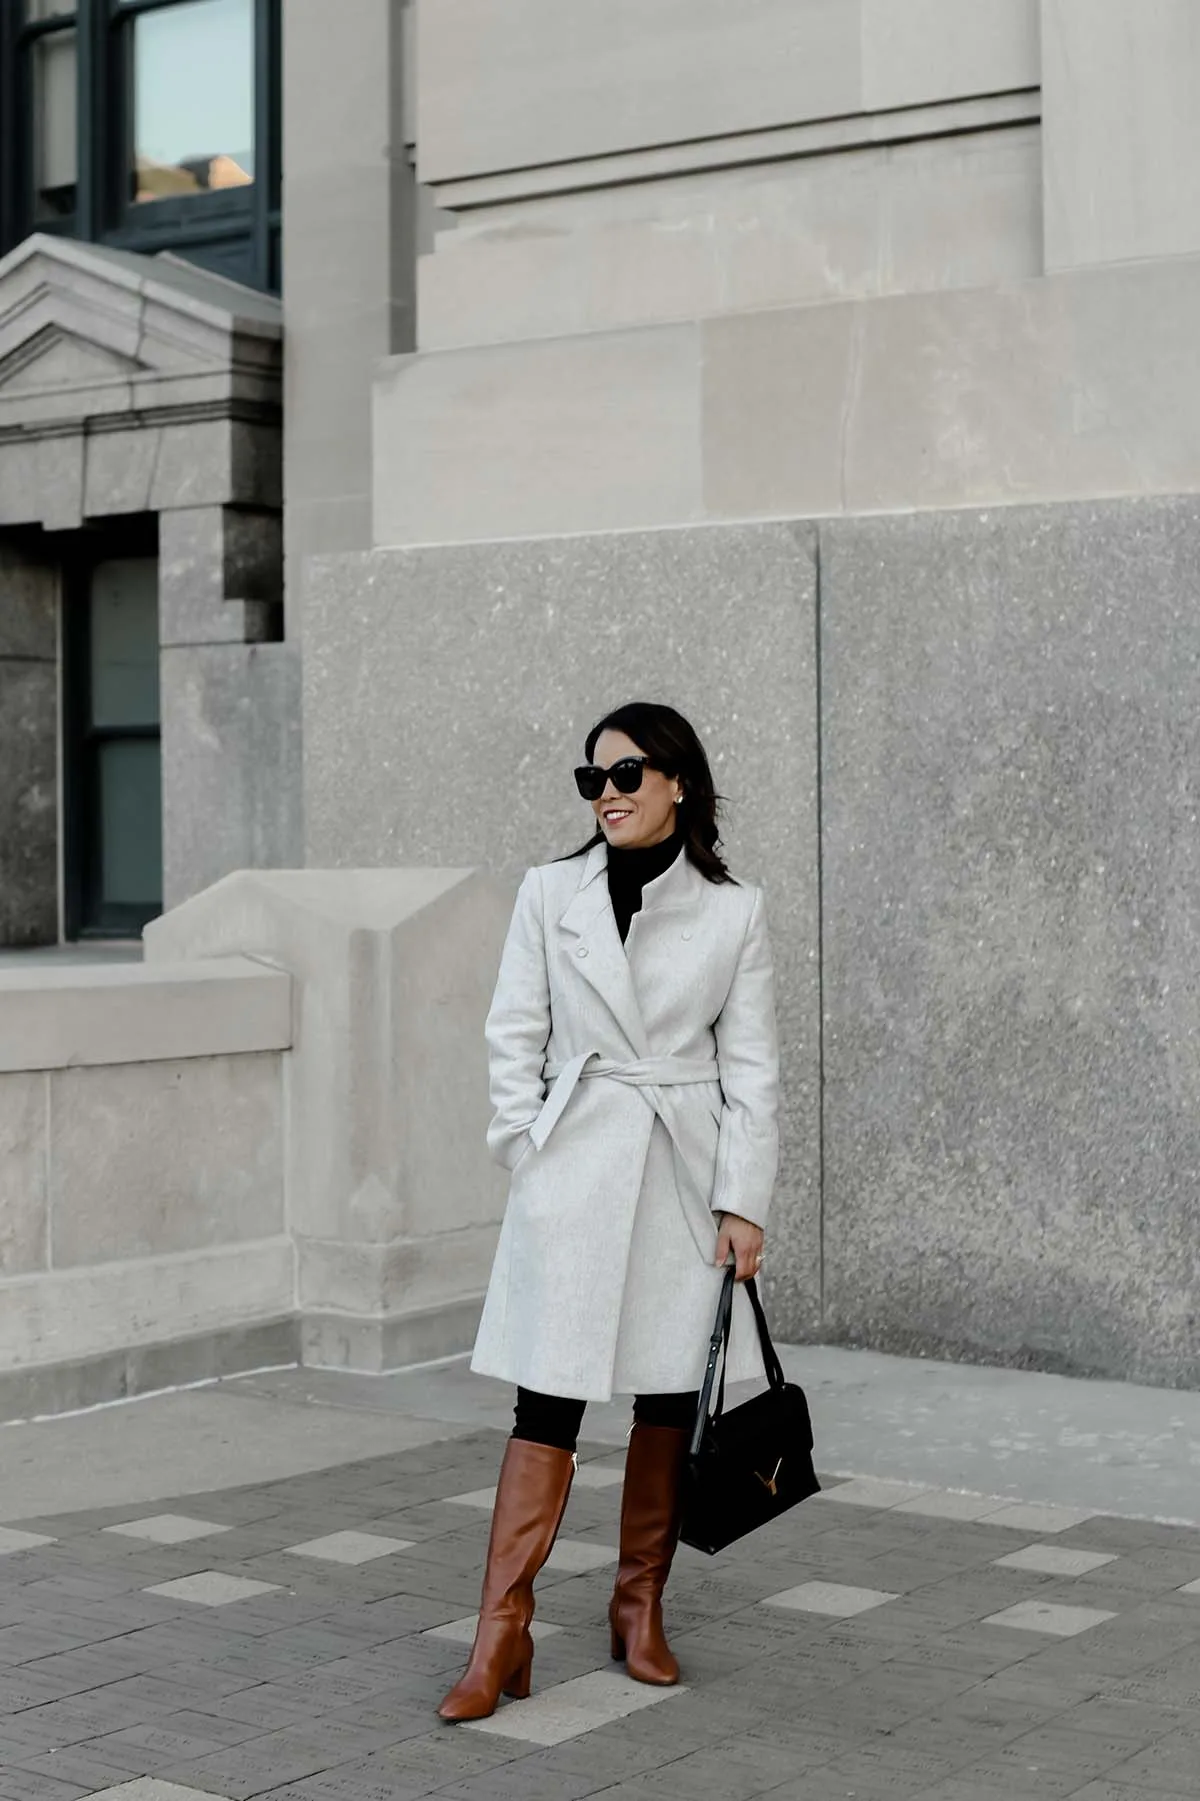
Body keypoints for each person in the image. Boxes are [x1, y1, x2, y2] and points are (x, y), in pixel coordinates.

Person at [438, 701, 780, 1723]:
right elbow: (514, 1029)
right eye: (594, 780)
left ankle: (639, 1608)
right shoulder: (551, 892)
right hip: (576, 1163)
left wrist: (743, 1202)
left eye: (629, 773)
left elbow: (753, 1071)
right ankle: (501, 1631)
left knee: (667, 1396)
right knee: (546, 1397)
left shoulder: (733, 911)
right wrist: (526, 1143)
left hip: (680, 1168)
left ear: (679, 782)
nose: (611, 794)